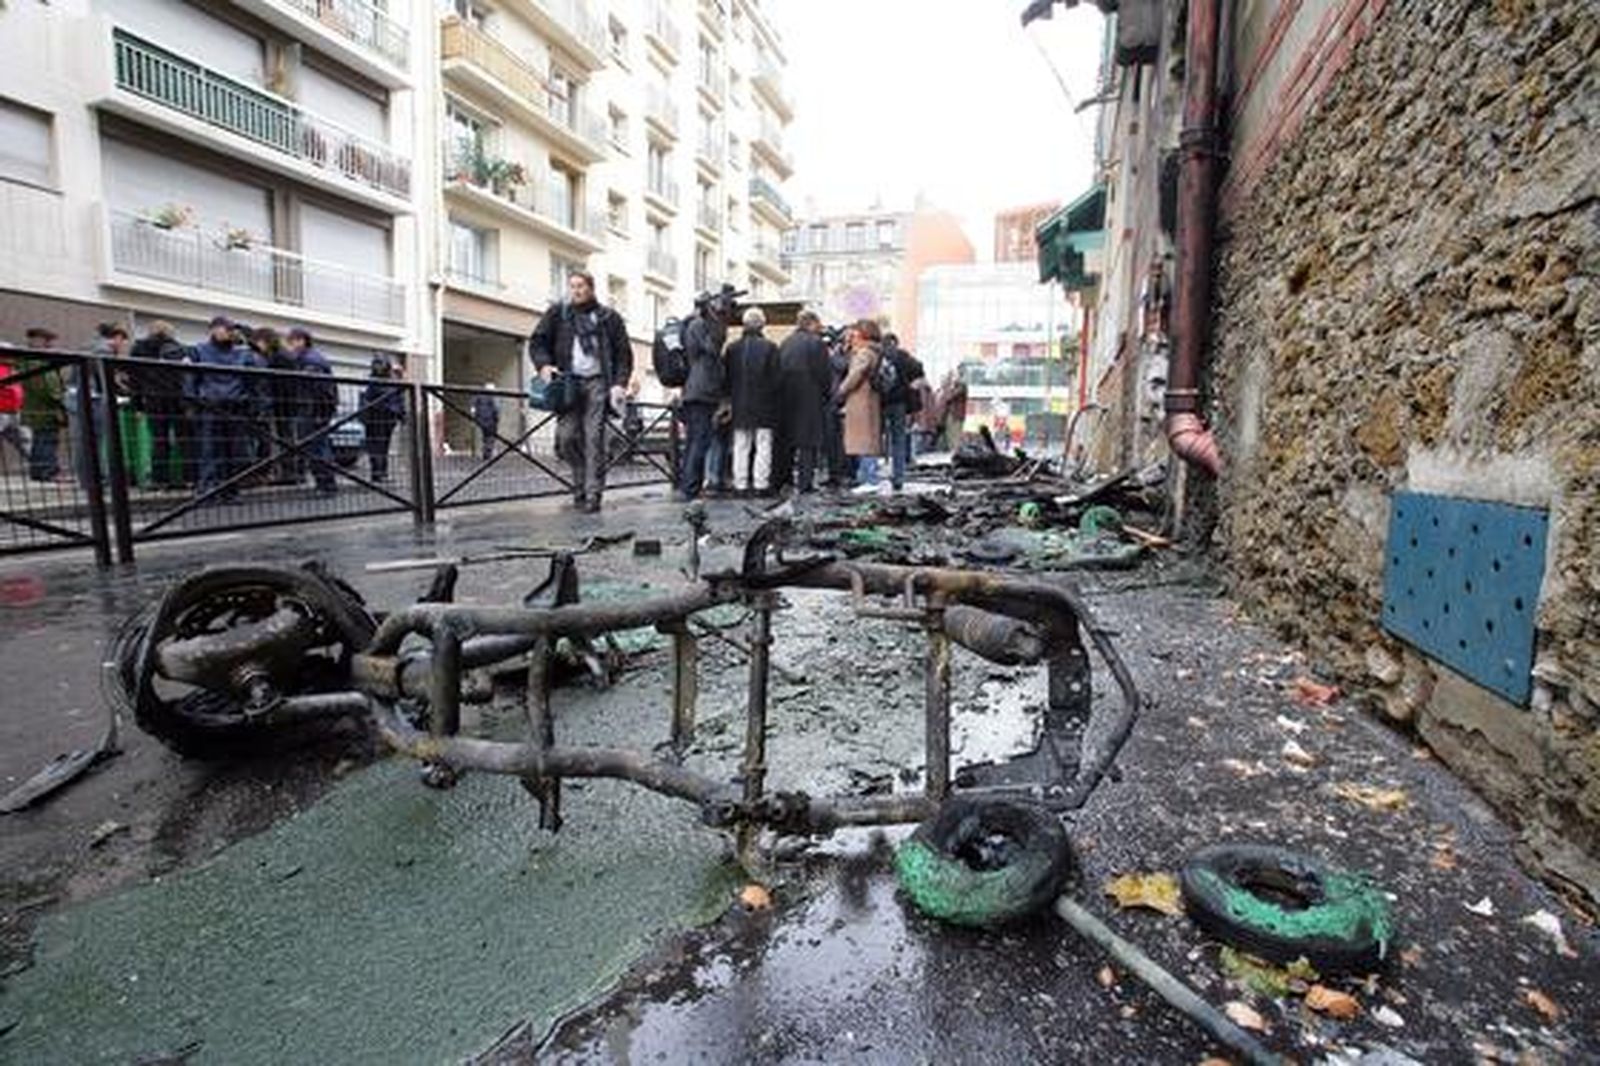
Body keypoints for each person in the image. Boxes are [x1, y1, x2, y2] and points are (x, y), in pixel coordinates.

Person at [528, 270, 633, 513]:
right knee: (566, 439)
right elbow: (538, 341)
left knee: (594, 438)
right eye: (572, 286)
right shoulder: (559, 314)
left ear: (591, 289)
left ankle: (592, 494)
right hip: (568, 383)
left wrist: (619, 383)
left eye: (580, 286)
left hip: (598, 382)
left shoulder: (608, 317)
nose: (575, 290)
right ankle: (581, 479)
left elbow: (623, 354)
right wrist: (543, 365)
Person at [187, 315, 256, 502]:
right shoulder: (198, 351)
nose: (231, 332)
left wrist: (249, 403)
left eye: (232, 329)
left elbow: (253, 381)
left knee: (234, 451)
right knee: (210, 450)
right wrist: (192, 404)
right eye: (227, 328)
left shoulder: (243, 352)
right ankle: (208, 490)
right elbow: (190, 380)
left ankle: (229, 490)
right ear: (214, 329)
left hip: (235, 407)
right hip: (210, 406)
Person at [675, 287, 735, 500]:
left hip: (699, 390)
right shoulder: (699, 326)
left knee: (696, 441)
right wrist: (718, 321)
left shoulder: (696, 325)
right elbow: (713, 348)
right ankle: (689, 488)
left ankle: (689, 486)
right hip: (701, 391)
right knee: (698, 441)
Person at [723, 307, 780, 496]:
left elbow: (726, 379)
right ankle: (760, 484)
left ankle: (740, 484)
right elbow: (776, 380)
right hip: (765, 405)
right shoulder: (770, 348)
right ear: (762, 324)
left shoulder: (732, 348)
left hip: (739, 404)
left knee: (741, 445)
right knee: (763, 445)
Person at [129, 321, 191, 490]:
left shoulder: (139, 350)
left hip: (153, 400)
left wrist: (138, 406)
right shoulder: (180, 349)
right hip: (178, 400)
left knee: (159, 440)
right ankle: (190, 477)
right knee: (184, 440)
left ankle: (160, 479)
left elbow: (134, 381)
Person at [776, 310, 831, 494]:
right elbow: (824, 374)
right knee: (808, 442)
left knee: (787, 441)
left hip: (785, 398)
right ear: (811, 323)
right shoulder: (816, 343)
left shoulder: (785, 342)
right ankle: (805, 483)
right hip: (810, 398)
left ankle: (785, 480)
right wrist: (826, 394)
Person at [284, 327, 338, 495]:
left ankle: (326, 485)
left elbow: (319, 390)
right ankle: (325, 484)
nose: (289, 346)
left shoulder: (310, 360)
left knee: (317, 448)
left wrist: (319, 413)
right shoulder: (310, 358)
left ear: (301, 340)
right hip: (314, 411)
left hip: (312, 412)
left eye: (291, 341)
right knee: (317, 448)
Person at [838, 320, 884, 490]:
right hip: (868, 399)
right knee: (866, 440)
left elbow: (855, 375)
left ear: (864, 335)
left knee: (864, 442)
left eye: (855, 334)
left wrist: (841, 390)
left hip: (861, 400)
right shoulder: (873, 351)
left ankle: (869, 479)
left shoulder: (864, 353)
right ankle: (866, 477)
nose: (853, 338)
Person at [878, 333, 927, 492]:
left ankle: (869, 475)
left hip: (879, 403)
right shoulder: (903, 356)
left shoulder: (877, 355)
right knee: (898, 440)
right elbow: (919, 369)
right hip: (899, 403)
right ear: (896, 343)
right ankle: (898, 477)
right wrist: (911, 386)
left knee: (874, 437)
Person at [18, 327, 64, 482]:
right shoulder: (34, 361)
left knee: (41, 439)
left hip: (41, 408)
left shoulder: (37, 360)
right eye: (47, 341)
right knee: (46, 439)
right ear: (36, 340)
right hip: (43, 408)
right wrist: (59, 398)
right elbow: (43, 387)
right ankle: (48, 471)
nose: (50, 345)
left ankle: (40, 472)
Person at [360, 356, 406, 484]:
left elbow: (398, 399)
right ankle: (378, 474)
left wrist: (402, 414)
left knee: (382, 447)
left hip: (386, 419)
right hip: (376, 418)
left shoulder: (390, 381)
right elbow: (391, 398)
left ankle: (381, 474)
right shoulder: (375, 382)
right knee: (377, 447)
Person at [0, 347, 29, 474]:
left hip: (14, 412)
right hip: (1, 411)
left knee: (25, 440)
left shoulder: (12, 370)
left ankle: (40, 467)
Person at [470, 386, 500, 460]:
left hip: (479, 420)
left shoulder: (477, 397)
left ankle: (478, 454)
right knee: (489, 438)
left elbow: (473, 409)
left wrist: (473, 418)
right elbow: (496, 409)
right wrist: (497, 419)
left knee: (480, 438)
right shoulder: (493, 398)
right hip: (490, 421)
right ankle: (487, 453)